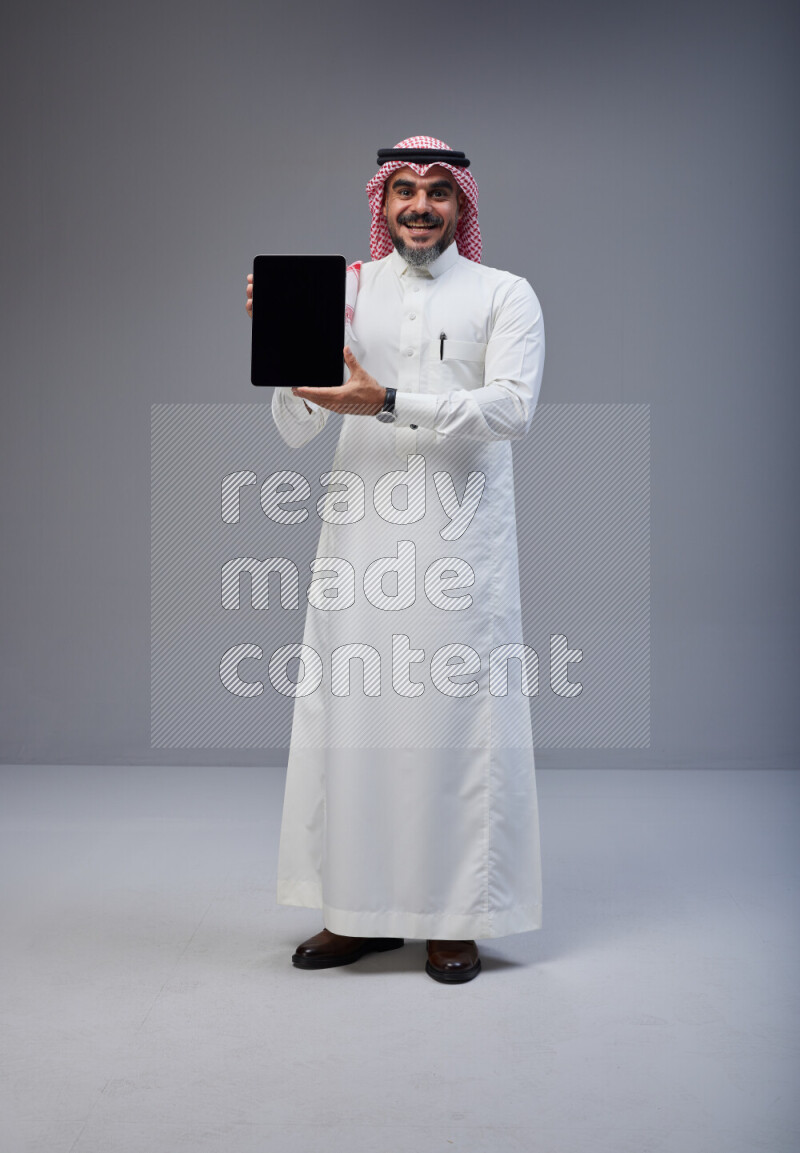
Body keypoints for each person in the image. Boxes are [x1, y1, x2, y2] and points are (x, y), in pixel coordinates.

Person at [245, 135, 545, 983]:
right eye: (403, 190)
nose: (419, 205)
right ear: (380, 205)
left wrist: (390, 401)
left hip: (460, 547)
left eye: (437, 192)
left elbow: (513, 408)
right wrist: (284, 345)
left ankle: (454, 919)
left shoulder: (505, 294)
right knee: (355, 726)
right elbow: (298, 427)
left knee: (450, 730)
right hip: (360, 541)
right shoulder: (345, 291)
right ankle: (356, 911)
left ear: (462, 207)